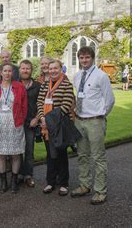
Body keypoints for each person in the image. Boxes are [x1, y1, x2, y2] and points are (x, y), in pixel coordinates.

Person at [71, 46, 115, 205]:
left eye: (87, 57)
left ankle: (100, 191)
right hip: (79, 120)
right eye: (81, 58)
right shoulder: (77, 76)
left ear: (92, 58)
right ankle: (84, 185)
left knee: (98, 157)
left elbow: (110, 99)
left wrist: (101, 115)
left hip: (95, 121)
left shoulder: (101, 76)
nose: (84, 60)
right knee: (82, 155)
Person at [37, 59, 74, 196]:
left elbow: (65, 106)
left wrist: (49, 120)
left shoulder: (66, 85)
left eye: (55, 68)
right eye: (50, 68)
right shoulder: (45, 84)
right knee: (50, 155)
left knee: (61, 154)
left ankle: (64, 183)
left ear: (60, 69)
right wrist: (42, 117)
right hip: (46, 127)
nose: (52, 71)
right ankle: (50, 182)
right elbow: (40, 102)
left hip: (60, 126)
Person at [0, 63, 28, 193]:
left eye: (9, 71)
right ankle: (3, 181)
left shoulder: (19, 87)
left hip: (15, 123)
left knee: (16, 154)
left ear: (12, 73)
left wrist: (20, 121)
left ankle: (14, 181)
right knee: (0, 154)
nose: (7, 73)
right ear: (0, 72)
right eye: (5, 71)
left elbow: (24, 106)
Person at [18, 59, 41, 188]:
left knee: (29, 150)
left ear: (31, 70)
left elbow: (41, 104)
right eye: (23, 68)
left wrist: (36, 118)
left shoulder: (37, 86)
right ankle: (19, 174)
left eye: (27, 68)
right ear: (19, 70)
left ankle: (28, 175)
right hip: (17, 123)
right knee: (17, 151)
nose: (25, 70)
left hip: (30, 123)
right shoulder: (14, 84)